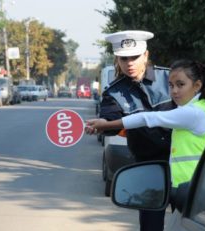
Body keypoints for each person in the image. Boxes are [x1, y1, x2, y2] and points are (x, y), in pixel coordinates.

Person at [86, 59, 205, 208]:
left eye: (181, 85)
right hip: (188, 188)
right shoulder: (199, 107)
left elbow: (148, 117)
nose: (174, 91)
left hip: (193, 189)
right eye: (170, 85)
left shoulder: (193, 113)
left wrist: (107, 125)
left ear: (197, 86)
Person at [86, 30, 174, 231]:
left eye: (134, 57)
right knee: (151, 226)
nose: (129, 63)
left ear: (146, 55)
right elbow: (110, 121)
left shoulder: (171, 79)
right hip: (149, 166)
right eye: (124, 58)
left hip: (185, 164)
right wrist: (101, 124)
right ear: (117, 59)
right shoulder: (113, 92)